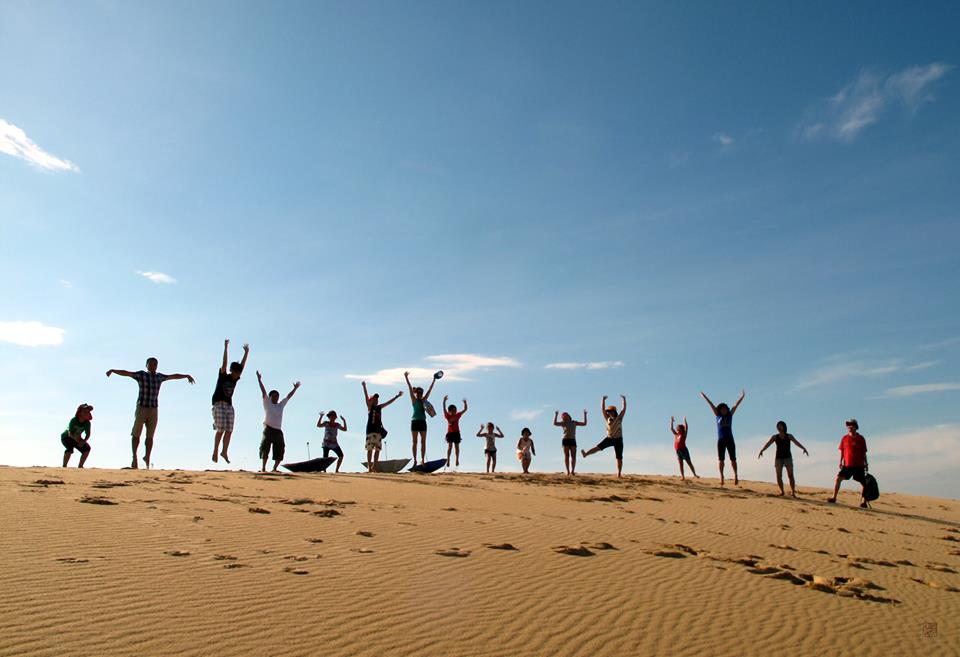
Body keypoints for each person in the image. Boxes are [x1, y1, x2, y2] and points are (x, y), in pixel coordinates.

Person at [106, 358, 195, 469]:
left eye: (155, 364)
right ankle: (134, 457)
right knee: (136, 434)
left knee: (150, 436)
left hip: (153, 409)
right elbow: (127, 373)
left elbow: (173, 376)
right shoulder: (141, 375)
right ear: (146, 365)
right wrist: (113, 370)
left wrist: (186, 375)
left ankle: (147, 457)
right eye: (151, 364)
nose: (153, 366)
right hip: (141, 407)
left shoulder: (159, 377)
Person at [211, 339, 250, 464]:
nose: (237, 375)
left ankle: (224, 451)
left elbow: (242, 366)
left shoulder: (235, 379)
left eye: (238, 373)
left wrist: (246, 353)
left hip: (228, 405)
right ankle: (215, 451)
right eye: (235, 372)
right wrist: (226, 348)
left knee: (229, 430)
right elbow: (224, 363)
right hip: (218, 403)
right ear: (231, 371)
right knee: (220, 429)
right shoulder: (224, 376)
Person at [256, 370, 299, 472]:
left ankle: (275, 468)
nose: (276, 397)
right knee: (265, 447)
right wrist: (259, 380)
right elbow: (263, 391)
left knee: (280, 448)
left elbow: (288, 396)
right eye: (274, 396)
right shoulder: (267, 403)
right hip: (268, 429)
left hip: (278, 430)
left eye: (277, 396)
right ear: (270, 397)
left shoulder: (280, 405)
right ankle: (263, 468)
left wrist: (295, 388)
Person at [699, 389, 745, 486]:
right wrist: (704, 396)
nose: (724, 410)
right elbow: (711, 404)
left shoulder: (730, 415)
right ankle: (721, 477)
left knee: (733, 459)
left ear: (727, 409)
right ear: (720, 410)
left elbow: (736, 405)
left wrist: (742, 396)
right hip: (721, 440)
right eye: (722, 409)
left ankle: (736, 475)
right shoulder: (717, 415)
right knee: (721, 460)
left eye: (725, 408)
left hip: (730, 439)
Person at [758, 420, 809, 497]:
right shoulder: (775, 437)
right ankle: (782, 491)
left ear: (783, 426)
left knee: (790, 475)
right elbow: (768, 444)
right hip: (778, 458)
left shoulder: (789, 436)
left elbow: (796, 442)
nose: (778, 427)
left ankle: (793, 492)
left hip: (788, 458)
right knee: (778, 476)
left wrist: (803, 448)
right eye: (777, 426)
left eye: (780, 425)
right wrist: (762, 450)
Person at [581, 395, 627, 478]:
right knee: (598, 447)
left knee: (619, 457)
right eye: (608, 411)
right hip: (609, 438)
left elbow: (623, 410)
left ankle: (619, 473)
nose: (609, 412)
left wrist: (623, 400)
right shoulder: (608, 418)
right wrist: (603, 399)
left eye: (611, 411)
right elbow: (602, 410)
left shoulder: (619, 418)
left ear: (614, 411)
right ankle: (586, 454)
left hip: (618, 439)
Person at [362, 381, 403, 472]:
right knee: (370, 450)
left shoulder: (379, 407)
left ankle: (374, 466)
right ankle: (369, 467)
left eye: (377, 399)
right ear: (371, 400)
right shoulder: (370, 407)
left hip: (378, 432)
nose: (376, 400)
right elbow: (366, 397)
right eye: (374, 399)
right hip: (370, 431)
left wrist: (397, 396)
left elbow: (389, 402)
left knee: (377, 450)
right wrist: (364, 387)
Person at [828, 419, 869, 507]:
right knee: (838, 479)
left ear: (856, 426)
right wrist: (840, 461)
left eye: (852, 425)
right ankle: (834, 497)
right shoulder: (844, 438)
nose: (849, 426)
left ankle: (864, 501)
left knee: (864, 483)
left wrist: (866, 463)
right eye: (848, 425)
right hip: (847, 464)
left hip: (859, 465)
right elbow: (842, 451)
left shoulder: (861, 438)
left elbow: (864, 452)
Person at [404, 371, 438, 466]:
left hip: (423, 421)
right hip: (414, 421)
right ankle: (415, 460)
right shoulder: (414, 400)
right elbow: (410, 388)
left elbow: (429, 390)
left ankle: (422, 460)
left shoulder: (423, 401)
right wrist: (406, 377)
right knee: (414, 442)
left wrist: (434, 380)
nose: (419, 394)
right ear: (416, 394)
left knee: (423, 442)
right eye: (418, 393)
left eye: (420, 393)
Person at [554, 410, 587, 475]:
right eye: (563, 416)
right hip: (565, 440)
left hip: (572, 440)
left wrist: (585, 415)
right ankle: (568, 471)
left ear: (569, 416)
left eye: (565, 415)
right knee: (566, 456)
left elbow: (584, 424)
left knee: (573, 456)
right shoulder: (563, 423)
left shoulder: (574, 422)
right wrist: (556, 414)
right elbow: (555, 423)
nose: (564, 416)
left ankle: (572, 471)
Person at [61, 404, 94, 468]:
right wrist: (77, 441)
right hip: (67, 437)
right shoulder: (74, 420)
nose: (87, 413)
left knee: (87, 449)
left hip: (77, 438)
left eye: (88, 412)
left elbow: (88, 434)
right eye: (85, 412)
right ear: (80, 412)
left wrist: (83, 441)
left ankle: (80, 466)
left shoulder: (87, 423)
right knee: (70, 448)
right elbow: (69, 433)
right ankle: (64, 466)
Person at [442, 395, 468, 468]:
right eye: (453, 410)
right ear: (450, 411)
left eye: (455, 410)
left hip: (456, 433)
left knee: (457, 447)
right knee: (450, 446)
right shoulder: (447, 416)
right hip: (450, 433)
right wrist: (444, 401)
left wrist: (465, 403)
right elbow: (444, 409)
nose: (455, 411)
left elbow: (465, 409)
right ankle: (449, 459)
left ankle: (457, 459)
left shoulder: (458, 415)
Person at [671, 415, 698, 481]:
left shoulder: (683, 434)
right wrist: (671, 421)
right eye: (677, 428)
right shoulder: (676, 434)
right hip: (678, 451)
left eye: (678, 428)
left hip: (684, 450)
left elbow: (686, 427)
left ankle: (694, 474)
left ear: (681, 429)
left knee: (689, 462)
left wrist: (684, 420)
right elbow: (671, 429)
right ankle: (683, 476)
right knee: (681, 464)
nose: (677, 429)